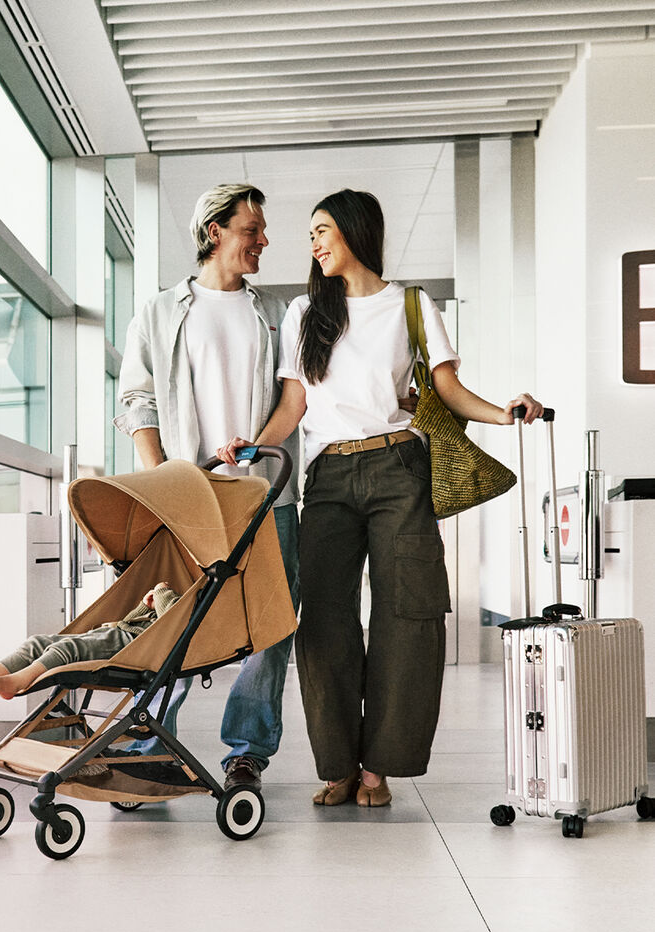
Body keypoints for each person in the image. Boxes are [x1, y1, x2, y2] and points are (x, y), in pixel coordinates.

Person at [217, 188, 544, 808]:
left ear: (355, 230)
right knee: (323, 620)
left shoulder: (411, 305)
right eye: (311, 235)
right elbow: (294, 404)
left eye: (321, 230)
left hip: (400, 467)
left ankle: (379, 767)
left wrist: (506, 414)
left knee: (409, 615)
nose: (313, 244)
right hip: (329, 477)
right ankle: (338, 764)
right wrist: (255, 446)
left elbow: (447, 389)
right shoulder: (304, 312)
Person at [114, 183, 302, 791]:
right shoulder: (159, 311)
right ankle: (149, 744)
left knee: (270, 624)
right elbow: (137, 400)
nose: (264, 240)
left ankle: (247, 751)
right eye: (252, 230)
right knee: (173, 618)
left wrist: (257, 449)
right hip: (191, 497)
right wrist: (163, 482)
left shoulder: (276, 312)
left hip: (267, 494)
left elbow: (295, 395)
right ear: (215, 230)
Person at [0, 582, 179, 699]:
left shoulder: (182, 609)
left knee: (68, 648)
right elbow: (128, 622)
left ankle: (18, 681)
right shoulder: (158, 613)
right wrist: (144, 607)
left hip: (132, 646)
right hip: (117, 633)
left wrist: (161, 591)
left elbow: (173, 619)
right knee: (37, 642)